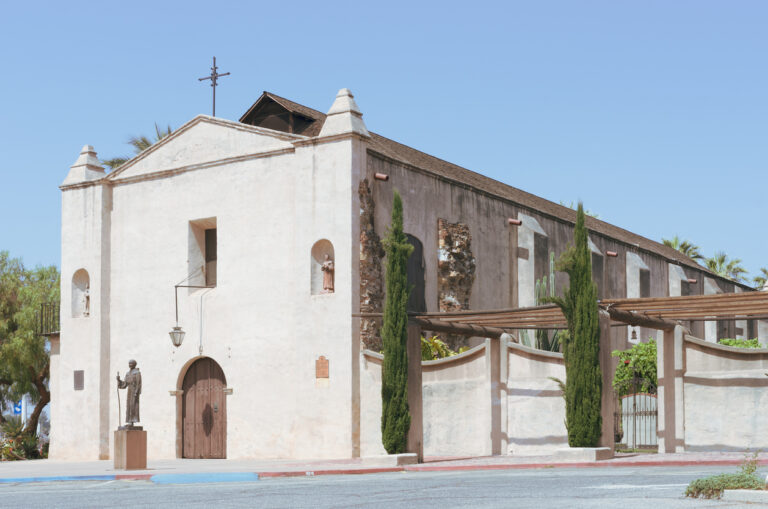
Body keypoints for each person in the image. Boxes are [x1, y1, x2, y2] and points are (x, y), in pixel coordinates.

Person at [117, 359, 142, 426]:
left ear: (134, 364)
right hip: (129, 390)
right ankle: (129, 421)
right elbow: (124, 384)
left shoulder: (137, 373)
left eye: (131, 364)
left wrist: (136, 392)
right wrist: (119, 380)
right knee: (128, 405)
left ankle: (133, 421)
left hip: (134, 391)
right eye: (129, 364)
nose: (130, 365)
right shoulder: (128, 373)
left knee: (133, 405)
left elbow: (138, 383)